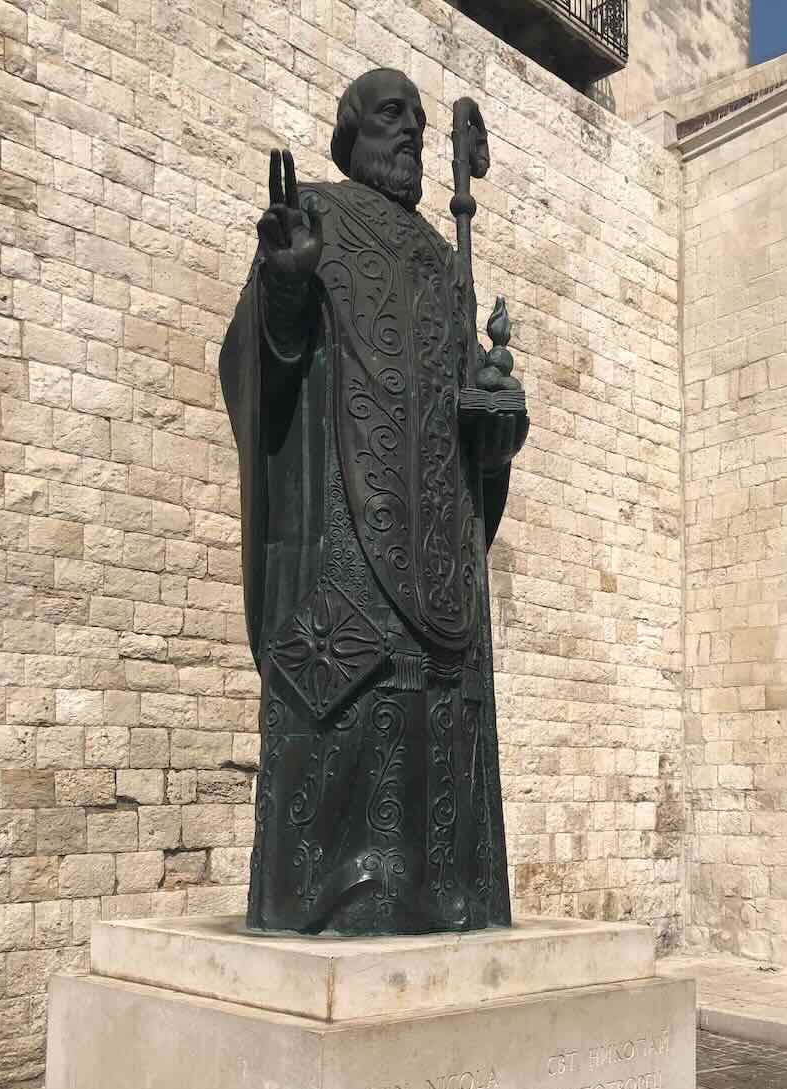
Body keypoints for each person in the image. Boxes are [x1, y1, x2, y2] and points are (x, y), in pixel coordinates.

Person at [219, 69, 527, 936]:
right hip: (343, 527)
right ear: (347, 131)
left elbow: (465, 417)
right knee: (350, 707)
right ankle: (328, 895)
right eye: (392, 117)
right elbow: (257, 367)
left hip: (435, 547)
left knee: (437, 713)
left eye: (421, 124)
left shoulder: (441, 258)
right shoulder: (311, 214)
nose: (413, 135)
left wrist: (494, 427)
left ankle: (446, 894)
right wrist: (285, 289)